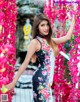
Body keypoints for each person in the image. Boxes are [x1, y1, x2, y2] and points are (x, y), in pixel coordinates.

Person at [5, 13, 75, 102]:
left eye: (47, 25)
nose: (46, 28)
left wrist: (73, 21)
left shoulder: (50, 41)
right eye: (42, 25)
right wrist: (14, 82)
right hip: (41, 80)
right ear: (37, 27)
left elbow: (67, 37)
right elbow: (25, 63)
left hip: (48, 80)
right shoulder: (35, 42)